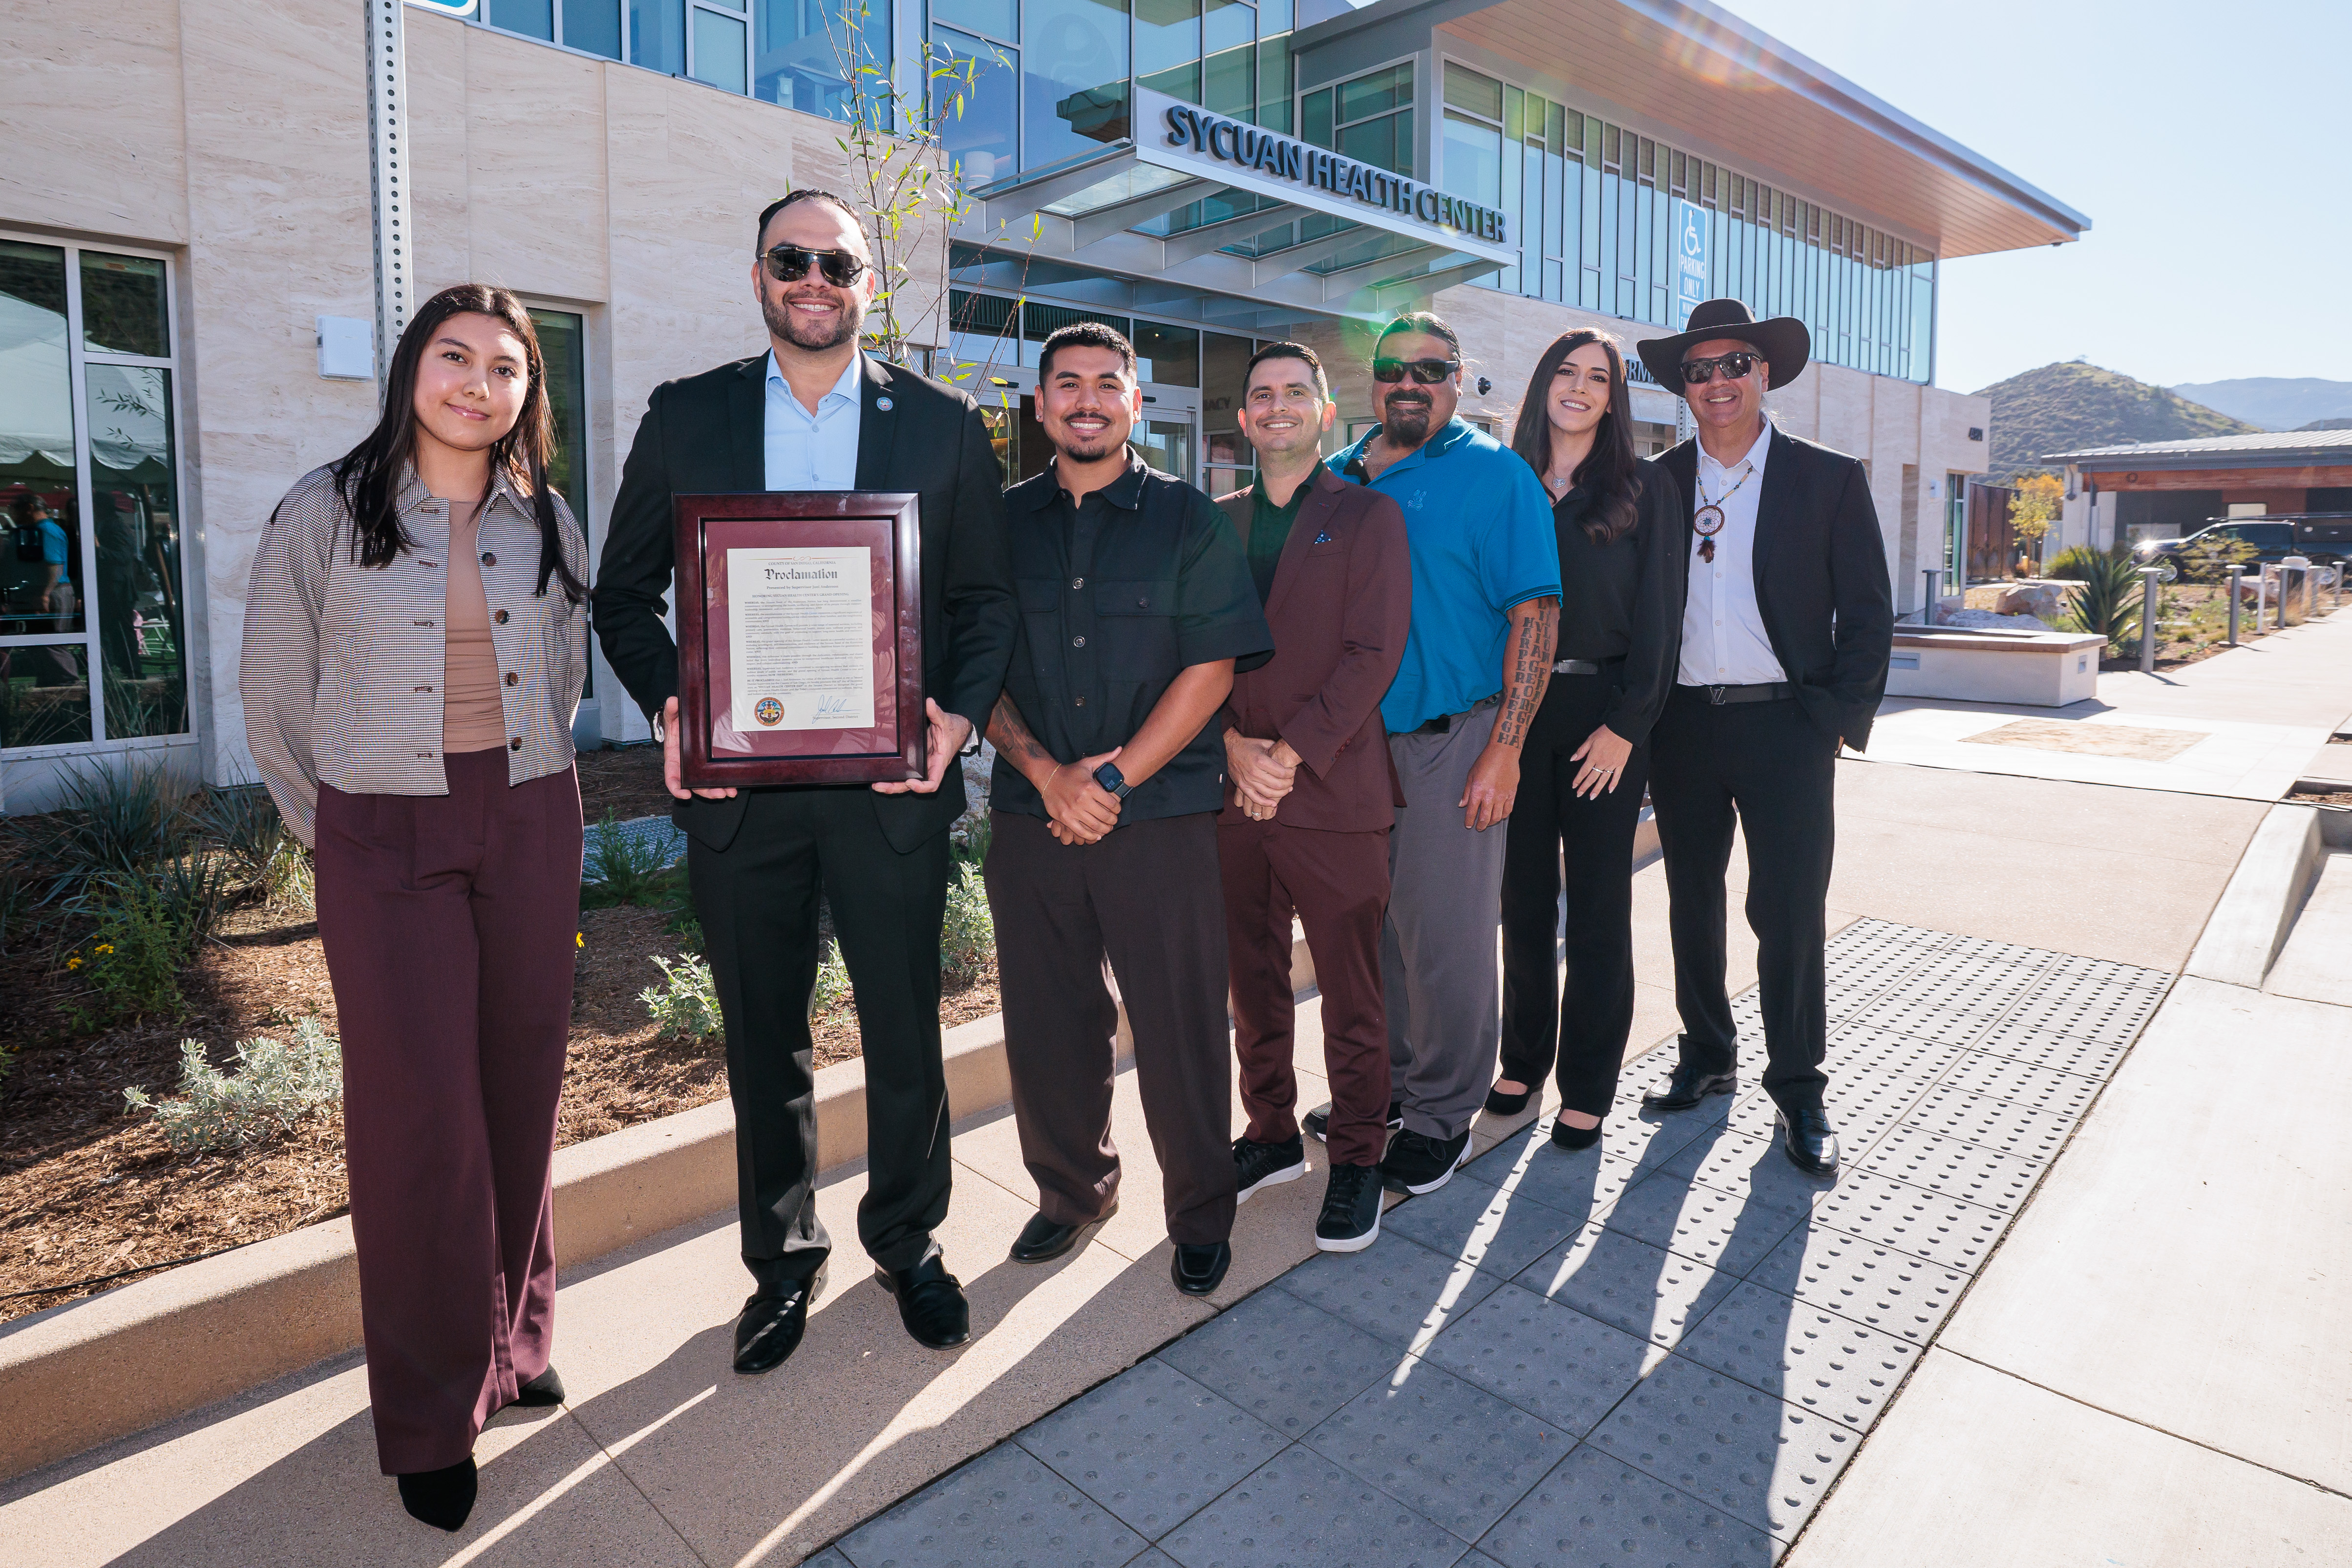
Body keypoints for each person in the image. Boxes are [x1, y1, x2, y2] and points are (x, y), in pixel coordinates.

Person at [593, 191, 1017, 1373]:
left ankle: (907, 1241)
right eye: (792, 258)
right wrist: (675, 709)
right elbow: (623, 595)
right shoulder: (689, 416)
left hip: (891, 788)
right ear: (759, 274)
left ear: (867, 284)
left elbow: (984, 604)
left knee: (902, 1029)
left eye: (837, 261)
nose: (814, 277)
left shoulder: (938, 427)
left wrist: (955, 720)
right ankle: (781, 1262)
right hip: (740, 794)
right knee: (763, 1036)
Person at [242, 283, 591, 1532]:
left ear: (524, 398)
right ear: (412, 371)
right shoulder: (323, 512)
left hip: (531, 815)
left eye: (505, 368)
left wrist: (530, 800)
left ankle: (517, 1338)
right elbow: (277, 700)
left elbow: (563, 671)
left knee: (520, 1088)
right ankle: (435, 1412)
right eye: (455, 357)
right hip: (381, 829)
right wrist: (341, 833)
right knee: (418, 1120)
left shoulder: (546, 516)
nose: (477, 384)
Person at [983, 321, 1274, 1296]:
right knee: (1047, 1024)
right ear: (1039, 405)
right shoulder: (994, 524)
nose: (1087, 400)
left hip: (1157, 822)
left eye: (1108, 384)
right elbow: (973, 669)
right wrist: (1043, 775)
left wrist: (1105, 782)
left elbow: (1212, 666)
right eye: (1067, 384)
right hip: (1032, 824)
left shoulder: (1188, 520)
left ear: (1135, 404)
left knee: (1182, 1023)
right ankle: (1071, 1194)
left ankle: (1198, 1212)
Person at [1631, 297, 1893, 1176]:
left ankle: (1799, 1084)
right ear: (1684, 387)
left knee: (1787, 911)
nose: (1717, 383)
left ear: (1764, 372)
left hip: (1787, 725)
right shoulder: (1656, 483)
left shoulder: (1828, 477)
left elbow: (1866, 614)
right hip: (1682, 727)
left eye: (1734, 364)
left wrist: (1832, 721)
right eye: (1699, 370)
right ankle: (1707, 1053)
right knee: (1691, 901)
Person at [1312, 312, 1560, 1196]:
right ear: (1369, 381)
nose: (1409, 382)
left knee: (1446, 939)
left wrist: (1507, 747)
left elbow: (1536, 614)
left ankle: (1444, 1114)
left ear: (1459, 379)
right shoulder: (1336, 475)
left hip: (1452, 741)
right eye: (1392, 368)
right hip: (1347, 751)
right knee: (1371, 933)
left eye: (1431, 367)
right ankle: (1385, 1088)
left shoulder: (1498, 477)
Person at [1215, 342, 1411, 1252]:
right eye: (1263, 396)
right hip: (1234, 797)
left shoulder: (1369, 516)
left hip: (1332, 790)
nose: (1280, 406)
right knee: (1252, 981)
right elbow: (1190, 654)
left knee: (1351, 988)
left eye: (1297, 392)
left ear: (1325, 411)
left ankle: (1362, 1155)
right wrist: (1231, 748)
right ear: (1245, 418)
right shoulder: (1211, 523)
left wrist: (1287, 754)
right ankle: (1268, 1134)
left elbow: (1375, 654)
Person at [1494, 329, 1688, 1150]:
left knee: (1601, 907)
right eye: (1565, 373)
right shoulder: (1504, 483)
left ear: (1614, 397)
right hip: (1514, 716)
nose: (1578, 387)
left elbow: (1662, 621)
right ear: (1542, 385)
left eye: (1597, 378)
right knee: (1523, 901)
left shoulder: (1643, 489)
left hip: (1603, 714)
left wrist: (1626, 727)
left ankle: (1590, 1082)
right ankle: (1523, 1058)